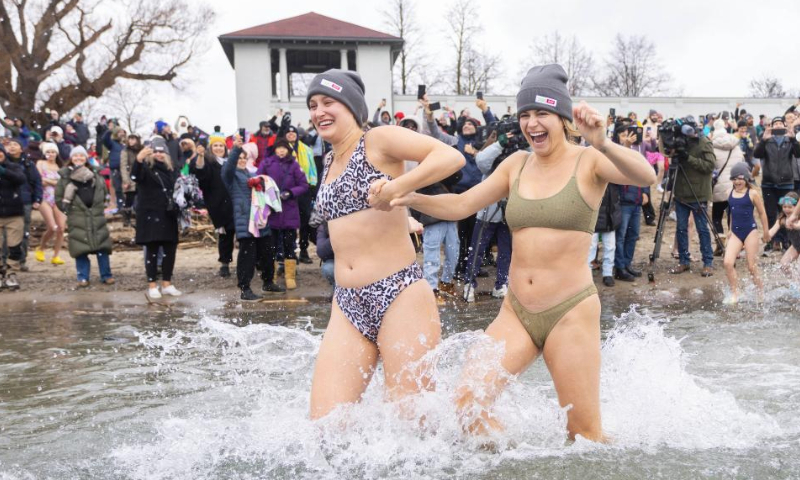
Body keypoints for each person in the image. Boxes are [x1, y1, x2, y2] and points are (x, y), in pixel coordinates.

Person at [389, 64, 656, 441]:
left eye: (542, 113)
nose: (532, 123)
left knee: (584, 436)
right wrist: (409, 197)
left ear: (563, 118)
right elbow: (462, 204)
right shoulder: (516, 164)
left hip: (570, 311)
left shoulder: (589, 160)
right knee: (467, 403)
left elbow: (647, 176)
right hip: (516, 311)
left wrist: (604, 142)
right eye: (525, 115)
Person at [305, 69, 465, 419]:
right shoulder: (329, 158)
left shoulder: (377, 139)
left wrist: (398, 189)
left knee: (413, 426)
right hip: (347, 302)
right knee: (325, 426)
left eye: (328, 102)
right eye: (313, 105)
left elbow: (451, 158)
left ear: (352, 107)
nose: (318, 112)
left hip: (399, 293)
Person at [420, 96, 497, 279]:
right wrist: (429, 116)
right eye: (465, 124)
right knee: (461, 233)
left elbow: (495, 128)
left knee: (476, 233)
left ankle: (473, 267)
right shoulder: (454, 141)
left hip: (480, 193)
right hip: (459, 193)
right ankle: (460, 267)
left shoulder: (483, 143)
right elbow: (435, 133)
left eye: (471, 124)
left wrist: (485, 109)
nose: (467, 126)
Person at [221, 135, 283, 300]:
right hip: (245, 221)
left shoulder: (252, 174)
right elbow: (228, 168)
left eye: (244, 158)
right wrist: (235, 150)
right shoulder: (230, 175)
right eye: (239, 158)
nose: (241, 160)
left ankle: (268, 282)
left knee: (267, 252)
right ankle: (245, 288)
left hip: (260, 219)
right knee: (247, 255)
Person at [55, 147, 114, 287]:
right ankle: (83, 277)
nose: (78, 158)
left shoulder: (95, 174)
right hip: (77, 216)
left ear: (86, 158)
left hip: (96, 215)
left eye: (81, 156)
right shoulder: (65, 177)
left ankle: (106, 275)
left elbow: (103, 191)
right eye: (75, 156)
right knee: (79, 249)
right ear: (71, 158)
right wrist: (70, 210)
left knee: (102, 248)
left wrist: (100, 207)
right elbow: (58, 198)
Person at [131, 138, 182, 299]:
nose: (159, 154)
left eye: (162, 151)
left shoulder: (172, 170)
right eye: (156, 151)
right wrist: (138, 159)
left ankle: (166, 283)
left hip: (168, 214)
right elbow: (135, 176)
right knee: (152, 249)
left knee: (170, 249)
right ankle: (152, 284)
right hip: (149, 214)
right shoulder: (145, 168)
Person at [257, 138, 309, 290]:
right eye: (279, 148)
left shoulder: (294, 165)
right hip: (271, 211)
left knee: (289, 245)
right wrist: (268, 194)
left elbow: (303, 185)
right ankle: (270, 275)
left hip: (289, 210)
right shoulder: (266, 163)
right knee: (270, 246)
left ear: (288, 150)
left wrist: (290, 193)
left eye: (284, 148)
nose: (281, 150)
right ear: (275, 150)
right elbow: (258, 181)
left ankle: (290, 276)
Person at [668, 119, 717, 277]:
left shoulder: (704, 142)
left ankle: (708, 262)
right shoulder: (679, 141)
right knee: (681, 229)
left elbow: (710, 166)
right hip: (681, 192)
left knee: (702, 229)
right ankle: (684, 261)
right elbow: (664, 152)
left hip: (699, 193)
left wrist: (687, 157)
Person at [189, 131, 236, 278]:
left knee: (244, 233)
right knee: (225, 234)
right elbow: (200, 172)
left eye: (220, 145)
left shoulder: (230, 161)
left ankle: (252, 261)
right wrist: (201, 156)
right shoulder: (209, 162)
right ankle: (225, 263)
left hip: (235, 201)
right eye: (215, 145)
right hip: (218, 203)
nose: (218, 148)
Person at [721, 164, 769, 304]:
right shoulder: (728, 192)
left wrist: (765, 232)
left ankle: (760, 294)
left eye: (740, 178)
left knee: (751, 266)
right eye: (734, 179)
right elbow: (730, 213)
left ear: (746, 179)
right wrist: (729, 229)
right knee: (728, 263)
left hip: (750, 231)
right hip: (735, 232)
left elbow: (762, 213)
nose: (737, 182)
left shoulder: (752, 193)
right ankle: (735, 293)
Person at [754, 116, 800, 252]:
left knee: (786, 212)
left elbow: (798, 154)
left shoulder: (789, 140)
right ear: (772, 126)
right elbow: (757, 154)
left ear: (784, 125)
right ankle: (773, 241)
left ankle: (786, 241)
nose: (778, 126)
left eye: (780, 123)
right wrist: (763, 140)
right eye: (776, 124)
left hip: (785, 183)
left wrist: (793, 139)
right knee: (770, 212)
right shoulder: (767, 139)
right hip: (769, 183)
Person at [2, 137, 42, 271]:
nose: (12, 147)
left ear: (21, 148)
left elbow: (37, 182)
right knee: (5, 236)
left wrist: (37, 199)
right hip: (5, 203)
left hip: (24, 201)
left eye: (15, 144)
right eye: (9, 145)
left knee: (23, 234)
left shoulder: (28, 164)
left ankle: (20, 260)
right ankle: (4, 262)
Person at [284, 125, 318, 264]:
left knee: (305, 222)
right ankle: (291, 253)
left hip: (304, 189)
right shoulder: (282, 150)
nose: (291, 134)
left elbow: (312, 169)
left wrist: (313, 188)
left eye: (293, 132)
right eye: (289, 132)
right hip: (289, 191)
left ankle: (304, 251)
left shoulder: (307, 149)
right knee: (290, 223)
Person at [710, 119, 744, 253]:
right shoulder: (736, 146)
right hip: (735, 186)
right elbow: (742, 163)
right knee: (732, 216)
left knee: (716, 217)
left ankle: (720, 242)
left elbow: (710, 168)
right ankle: (733, 244)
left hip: (719, 187)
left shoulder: (712, 148)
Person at [34, 143, 66, 265]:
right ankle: (41, 248)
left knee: (61, 228)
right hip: (44, 198)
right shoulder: (40, 164)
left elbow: (62, 184)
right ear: (45, 153)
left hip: (58, 199)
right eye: (48, 152)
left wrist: (48, 181)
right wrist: (54, 182)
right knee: (53, 227)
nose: (51, 154)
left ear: (57, 153)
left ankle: (56, 255)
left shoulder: (60, 167)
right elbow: (39, 180)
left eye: (53, 152)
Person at [0, 143, 25, 289]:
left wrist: (3, 172)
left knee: (14, 246)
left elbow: (20, 179)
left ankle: (11, 273)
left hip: (14, 213)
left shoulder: (13, 166)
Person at [589, 184, 621, 287]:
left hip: (610, 215)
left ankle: (608, 274)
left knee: (610, 247)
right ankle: (587, 274)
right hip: (594, 216)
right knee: (590, 248)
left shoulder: (613, 177)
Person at [769, 193, 800, 279]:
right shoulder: (782, 219)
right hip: (796, 246)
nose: (786, 209)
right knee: (784, 264)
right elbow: (771, 232)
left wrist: (794, 225)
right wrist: (761, 237)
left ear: (797, 208)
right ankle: (795, 283)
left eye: (790, 207)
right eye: (784, 207)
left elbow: (798, 226)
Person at [119, 134, 142, 227]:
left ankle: (140, 218)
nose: (131, 141)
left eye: (133, 139)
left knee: (141, 198)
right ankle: (127, 219)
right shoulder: (125, 151)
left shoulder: (141, 150)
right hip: (130, 176)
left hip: (141, 177)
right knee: (129, 199)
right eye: (130, 139)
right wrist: (126, 180)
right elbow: (123, 166)